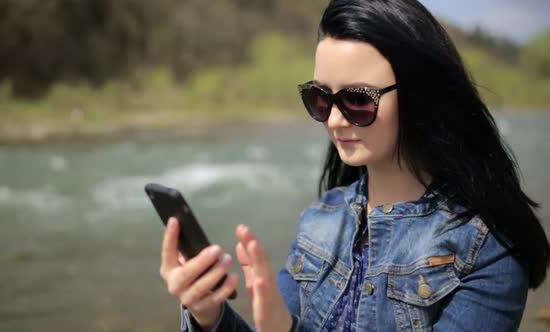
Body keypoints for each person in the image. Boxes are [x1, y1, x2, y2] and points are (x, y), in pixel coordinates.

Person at [159, 0, 550, 331]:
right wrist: (208, 315)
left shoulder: (488, 249)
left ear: (419, 94)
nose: (332, 120)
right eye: (319, 98)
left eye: (358, 100)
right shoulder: (320, 220)